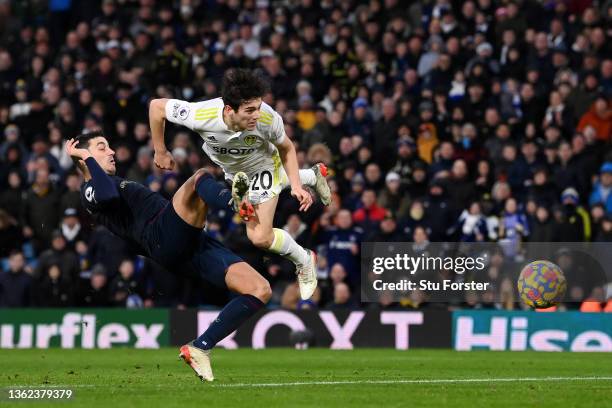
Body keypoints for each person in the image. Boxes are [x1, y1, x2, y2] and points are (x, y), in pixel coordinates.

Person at [66, 130, 271, 382]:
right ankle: (236, 204)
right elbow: (107, 194)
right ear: (83, 158)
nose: (111, 152)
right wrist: (86, 156)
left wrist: (89, 156)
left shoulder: (109, 181)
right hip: (160, 236)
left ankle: (200, 346)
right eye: (101, 147)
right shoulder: (90, 189)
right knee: (199, 178)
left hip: (188, 244)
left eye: (108, 146)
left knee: (260, 289)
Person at [149, 68, 331, 300]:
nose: (256, 115)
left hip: (264, 166)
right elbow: (156, 107)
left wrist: (295, 187)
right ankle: (312, 176)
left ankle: (304, 259)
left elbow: (287, 148)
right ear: (229, 110)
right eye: (249, 110)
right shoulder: (201, 115)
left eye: (258, 106)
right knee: (249, 204)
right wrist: (160, 149)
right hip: (234, 171)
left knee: (260, 238)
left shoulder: (267, 118)